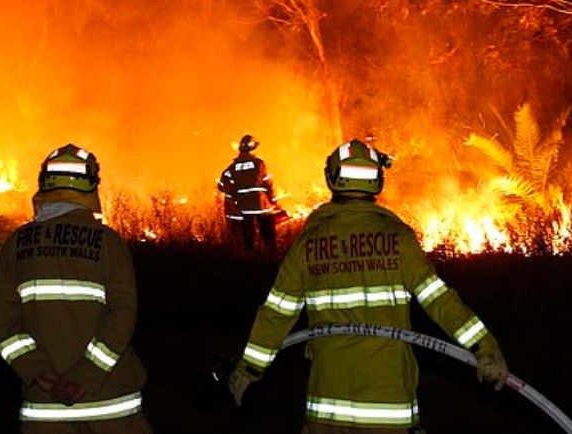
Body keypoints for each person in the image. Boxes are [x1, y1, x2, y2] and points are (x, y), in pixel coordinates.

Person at [228, 139, 508, 433]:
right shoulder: (398, 239)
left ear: (331, 179)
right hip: (388, 409)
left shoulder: (307, 245)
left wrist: (248, 369)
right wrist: (485, 349)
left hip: (328, 409)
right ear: (377, 181)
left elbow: (276, 314)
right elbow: (440, 301)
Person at [0, 144, 152, 434]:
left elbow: (0, 317)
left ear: (44, 185)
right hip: (111, 404)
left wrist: (37, 372)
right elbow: (123, 314)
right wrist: (86, 377)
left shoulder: (17, 244)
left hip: (45, 407)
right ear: (91, 186)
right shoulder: (108, 243)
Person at [217, 134, 279, 252]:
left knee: (248, 236)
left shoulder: (232, 168)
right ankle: (271, 255)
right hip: (261, 206)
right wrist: (274, 202)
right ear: (253, 149)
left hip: (244, 207)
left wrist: (236, 195)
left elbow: (222, 185)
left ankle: (250, 255)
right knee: (268, 235)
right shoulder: (259, 164)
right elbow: (268, 184)